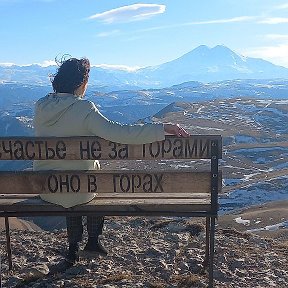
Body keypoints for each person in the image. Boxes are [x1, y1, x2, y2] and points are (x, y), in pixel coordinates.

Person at [33, 57, 189, 266]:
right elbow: (120, 132)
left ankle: (73, 248)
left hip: (47, 187)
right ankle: (93, 242)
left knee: (72, 183)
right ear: (81, 83)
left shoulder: (41, 106)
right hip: (80, 189)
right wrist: (161, 129)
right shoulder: (84, 109)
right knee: (91, 182)